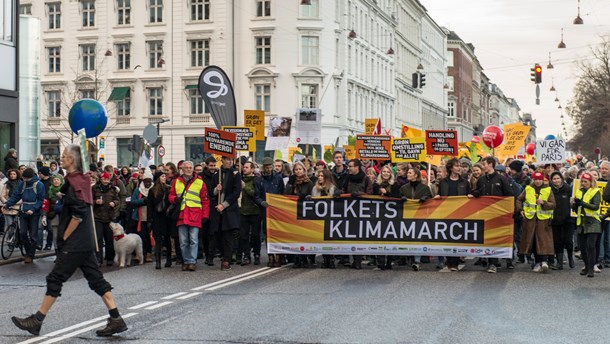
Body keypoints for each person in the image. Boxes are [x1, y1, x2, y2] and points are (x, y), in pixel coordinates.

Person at [9, 144, 127, 337]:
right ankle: (116, 319)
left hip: (75, 243)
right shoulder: (77, 180)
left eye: (64, 156)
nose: (61, 158)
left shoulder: (76, 182)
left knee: (55, 278)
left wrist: (65, 236)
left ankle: (36, 321)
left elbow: (79, 214)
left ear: (71, 160)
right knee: (96, 280)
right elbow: (71, 197)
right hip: (85, 242)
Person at [473, 156, 514, 273]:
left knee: (497, 238)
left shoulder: (501, 179)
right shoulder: (481, 180)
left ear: (490, 164)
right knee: (488, 238)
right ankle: (491, 261)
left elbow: (509, 195)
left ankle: (496, 262)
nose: (483, 166)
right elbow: (478, 192)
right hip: (485, 214)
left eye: (484, 164)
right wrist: (475, 193)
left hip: (498, 214)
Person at [169, 161, 210, 271]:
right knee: (183, 241)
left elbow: (205, 200)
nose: (188, 169)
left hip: (195, 214)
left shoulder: (200, 182)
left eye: (190, 168)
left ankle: (191, 261)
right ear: (182, 169)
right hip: (182, 215)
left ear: (193, 169)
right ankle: (186, 261)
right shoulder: (176, 181)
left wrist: (205, 215)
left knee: (193, 240)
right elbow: (171, 195)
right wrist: (174, 199)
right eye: (186, 167)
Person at [436, 158, 472, 271]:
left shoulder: (464, 182)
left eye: (460, 165)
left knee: (457, 238)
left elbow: (468, 194)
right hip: (446, 213)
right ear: (451, 167)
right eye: (457, 165)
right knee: (447, 237)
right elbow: (440, 194)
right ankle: (449, 259)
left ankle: (455, 262)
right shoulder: (443, 182)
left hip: (460, 214)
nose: (459, 167)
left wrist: (470, 196)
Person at [3, 167, 45, 264]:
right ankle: (27, 252)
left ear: (31, 177)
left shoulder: (39, 185)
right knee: (22, 233)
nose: (25, 180)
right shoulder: (23, 184)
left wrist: (33, 209)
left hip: (34, 213)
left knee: (33, 236)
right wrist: (7, 204)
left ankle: (30, 255)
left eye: (26, 178)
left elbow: (40, 200)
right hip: (23, 212)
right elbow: (16, 195)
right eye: (24, 178)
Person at [516, 172, 556, 273]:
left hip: (543, 220)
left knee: (543, 241)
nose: (537, 181)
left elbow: (553, 205)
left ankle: (543, 261)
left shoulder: (548, 189)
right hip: (530, 220)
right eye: (536, 179)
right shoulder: (528, 188)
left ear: (543, 180)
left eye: (539, 179)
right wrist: (520, 209)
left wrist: (544, 203)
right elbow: (519, 199)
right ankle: (537, 262)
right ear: (533, 179)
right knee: (532, 241)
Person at [209, 157, 241, 271]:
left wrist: (224, 204)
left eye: (230, 160)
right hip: (217, 210)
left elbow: (236, 192)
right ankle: (223, 255)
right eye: (227, 160)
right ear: (222, 160)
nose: (229, 162)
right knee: (218, 236)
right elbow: (210, 192)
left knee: (228, 236)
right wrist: (215, 190)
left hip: (229, 209)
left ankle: (227, 260)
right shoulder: (216, 174)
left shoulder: (235, 174)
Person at [399, 167, 433, 271]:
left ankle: (417, 261)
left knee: (417, 237)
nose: (407, 174)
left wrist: (425, 198)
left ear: (416, 175)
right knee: (408, 237)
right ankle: (409, 257)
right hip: (407, 216)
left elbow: (431, 199)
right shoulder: (403, 188)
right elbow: (398, 196)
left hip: (420, 216)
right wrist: (402, 198)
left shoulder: (425, 188)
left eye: (410, 173)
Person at [254, 157, 285, 267]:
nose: (269, 169)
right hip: (265, 210)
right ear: (263, 167)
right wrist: (261, 202)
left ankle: (279, 256)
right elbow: (256, 196)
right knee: (268, 234)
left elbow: (282, 193)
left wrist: (280, 203)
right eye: (267, 167)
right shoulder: (259, 179)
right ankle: (270, 256)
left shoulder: (278, 178)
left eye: (270, 166)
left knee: (278, 232)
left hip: (277, 209)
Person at [284, 161, 314, 268]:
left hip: (305, 211)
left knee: (304, 235)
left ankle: (305, 257)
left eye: (300, 169)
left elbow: (312, 195)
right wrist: (291, 184)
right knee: (295, 235)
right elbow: (286, 194)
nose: (298, 171)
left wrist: (306, 196)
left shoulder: (309, 182)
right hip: (293, 211)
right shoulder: (291, 181)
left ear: (304, 170)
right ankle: (297, 258)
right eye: (296, 169)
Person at [573, 172, 601, 278]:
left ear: (590, 182)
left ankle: (591, 269)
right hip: (581, 222)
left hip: (593, 222)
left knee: (591, 246)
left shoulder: (596, 191)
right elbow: (577, 208)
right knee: (582, 247)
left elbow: (595, 206)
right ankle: (586, 266)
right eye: (582, 182)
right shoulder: (579, 191)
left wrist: (582, 203)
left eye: (586, 182)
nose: (584, 183)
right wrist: (574, 205)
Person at [372, 165, 398, 270]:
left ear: (390, 173)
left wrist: (387, 193)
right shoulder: (376, 184)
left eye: (388, 172)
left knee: (389, 238)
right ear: (381, 173)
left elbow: (397, 196)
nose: (386, 173)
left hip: (391, 215)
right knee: (379, 238)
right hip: (379, 214)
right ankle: (380, 261)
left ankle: (389, 261)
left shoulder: (395, 185)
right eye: (384, 172)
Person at [93, 172, 120, 267]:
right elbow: (89, 201)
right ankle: (98, 259)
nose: (105, 181)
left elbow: (117, 200)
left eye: (107, 179)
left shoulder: (113, 189)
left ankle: (109, 258)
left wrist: (114, 203)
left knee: (109, 239)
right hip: (98, 217)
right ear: (100, 179)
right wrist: (95, 201)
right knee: (98, 239)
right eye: (103, 179)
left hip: (109, 217)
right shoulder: (94, 188)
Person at [550, 171, 575, 270]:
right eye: (554, 179)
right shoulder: (549, 190)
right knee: (557, 241)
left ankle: (570, 257)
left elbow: (572, 203)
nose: (556, 180)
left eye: (558, 178)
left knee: (568, 241)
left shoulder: (568, 188)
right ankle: (559, 262)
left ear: (561, 179)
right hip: (555, 220)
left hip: (568, 220)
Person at [312, 169, 337, 269]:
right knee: (322, 238)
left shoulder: (332, 188)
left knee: (329, 239)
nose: (320, 177)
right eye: (319, 176)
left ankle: (330, 258)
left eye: (322, 176)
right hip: (319, 216)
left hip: (330, 215)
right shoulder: (315, 188)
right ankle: (324, 258)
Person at [147, 171, 172, 269]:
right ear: (158, 178)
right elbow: (149, 206)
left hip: (166, 217)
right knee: (158, 240)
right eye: (162, 176)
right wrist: (149, 219)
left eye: (165, 176)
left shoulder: (168, 188)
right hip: (157, 217)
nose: (164, 177)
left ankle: (168, 260)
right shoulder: (152, 190)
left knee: (167, 239)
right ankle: (158, 261)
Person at [239, 161, 262, 266]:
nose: (244, 169)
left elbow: (255, 194)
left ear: (252, 169)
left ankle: (257, 254)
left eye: (247, 167)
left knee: (255, 235)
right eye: (244, 167)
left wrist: (245, 187)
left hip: (255, 211)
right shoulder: (240, 179)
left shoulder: (256, 180)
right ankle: (246, 255)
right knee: (244, 235)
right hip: (243, 211)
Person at [130, 170, 154, 263]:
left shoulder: (154, 189)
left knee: (149, 236)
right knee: (141, 236)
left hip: (150, 217)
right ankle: (140, 253)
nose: (148, 183)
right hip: (140, 217)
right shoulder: (138, 190)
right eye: (146, 181)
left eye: (149, 181)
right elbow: (133, 202)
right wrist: (143, 201)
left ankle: (148, 253)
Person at [0, 169, 22, 234]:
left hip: (17, 208)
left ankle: (17, 241)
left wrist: (14, 202)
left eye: (14, 174)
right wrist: (7, 202)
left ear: (17, 175)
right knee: (10, 225)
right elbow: (2, 196)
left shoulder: (21, 184)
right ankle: (10, 241)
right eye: (11, 174)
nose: (12, 175)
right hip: (8, 207)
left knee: (18, 226)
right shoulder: (6, 184)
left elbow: (22, 196)